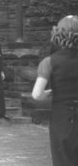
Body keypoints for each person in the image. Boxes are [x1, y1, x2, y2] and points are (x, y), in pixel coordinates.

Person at [32, 15, 78, 166]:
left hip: (63, 117)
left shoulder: (49, 62)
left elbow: (37, 94)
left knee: (63, 159)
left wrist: (51, 92)